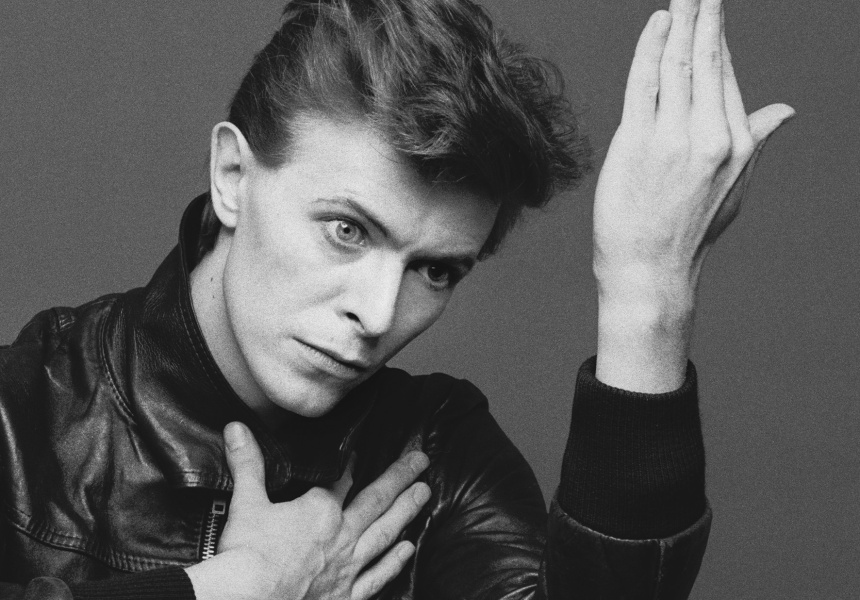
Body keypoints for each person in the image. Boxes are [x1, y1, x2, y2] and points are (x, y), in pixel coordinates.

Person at [0, 0, 793, 598]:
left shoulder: (438, 459)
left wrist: (647, 289)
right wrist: (235, 588)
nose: (378, 315)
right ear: (233, 178)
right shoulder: (21, 412)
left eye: (436, 271)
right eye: (347, 230)